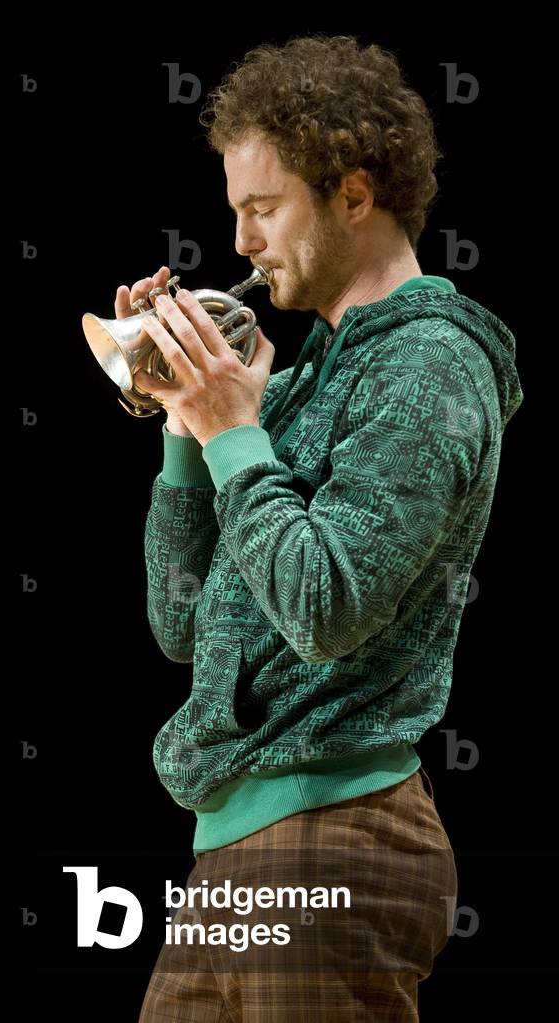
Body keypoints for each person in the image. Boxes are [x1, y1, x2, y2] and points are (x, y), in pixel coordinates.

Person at [122, 32, 524, 1022]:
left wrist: (232, 430)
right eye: (236, 214)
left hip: (330, 840)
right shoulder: (299, 384)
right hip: (233, 850)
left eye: (262, 209)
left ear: (353, 195)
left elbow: (326, 607)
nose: (242, 245)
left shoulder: (428, 361)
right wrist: (187, 422)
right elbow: (183, 625)